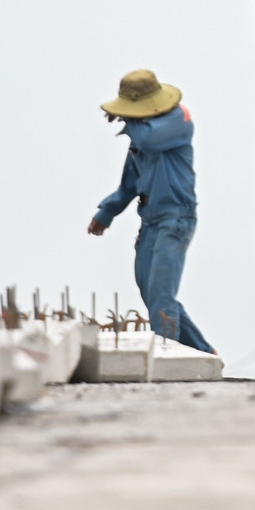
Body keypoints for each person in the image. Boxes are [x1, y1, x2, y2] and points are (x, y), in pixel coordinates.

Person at [86, 69, 215, 353]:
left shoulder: (178, 120)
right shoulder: (140, 137)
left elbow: (149, 139)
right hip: (151, 222)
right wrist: (106, 213)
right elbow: (129, 185)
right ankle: (204, 353)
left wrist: (129, 119)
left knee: (161, 295)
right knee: (151, 290)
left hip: (176, 218)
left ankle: (166, 356)